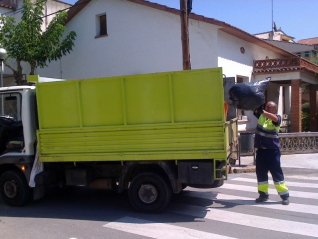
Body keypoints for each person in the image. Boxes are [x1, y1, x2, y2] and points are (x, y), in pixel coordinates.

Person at [253, 101, 289, 205]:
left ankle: (284, 196)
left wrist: (263, 111)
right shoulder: (262, 116)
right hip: (261, 151)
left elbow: (275, 119)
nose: (267, 109)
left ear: (274, 110)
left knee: (276, 174)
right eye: (266, 107)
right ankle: (263, 195)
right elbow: (254, 110)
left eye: (269, 107)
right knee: (261, 174)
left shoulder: (277, 118)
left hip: (272, 152)